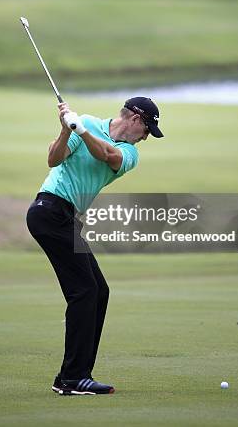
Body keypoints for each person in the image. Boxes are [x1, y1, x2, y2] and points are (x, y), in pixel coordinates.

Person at [26, 97, 164, 396]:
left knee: (98, 291)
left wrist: (81, 130)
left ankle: (76, 375)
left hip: (65, 218)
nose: (145, 137)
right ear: (136, 120)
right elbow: (53, 160)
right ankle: (71, 377)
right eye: (146, 130)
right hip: (49, 210)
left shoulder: (129, 153)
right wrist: (66, 129)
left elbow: (107, 156)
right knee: (84, 291)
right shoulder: (86, 123)